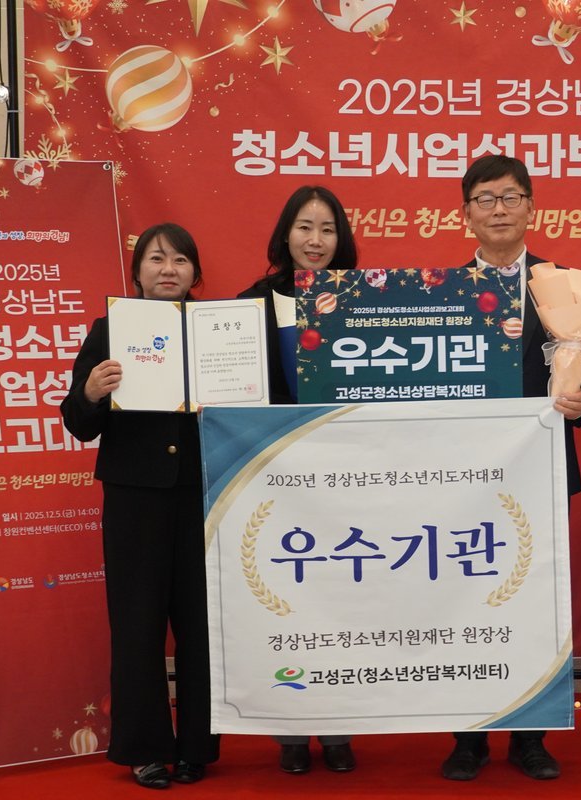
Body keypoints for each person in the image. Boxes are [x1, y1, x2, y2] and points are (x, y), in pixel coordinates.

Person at [439, 154, 581, 782]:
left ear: (532, 207)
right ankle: (469, 737)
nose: (499, 209)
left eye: (510, 197)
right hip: (462, 477)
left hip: (541, 469)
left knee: (537, 602)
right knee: (462, 598)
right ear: (466, 214)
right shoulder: (439, 292)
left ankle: (533, 736)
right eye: (485, 199)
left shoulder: (565, 287)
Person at [60, 223, 220, 789]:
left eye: (180, 260)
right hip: (134, 498)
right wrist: (91, 393)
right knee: (137, 624)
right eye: (156, 259)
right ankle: (145, 748)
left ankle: (197, 745)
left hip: (206, 495)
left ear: (195, 272)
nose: (168, 269)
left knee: (201, 626)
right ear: (137, 272)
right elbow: (78, 422)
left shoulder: (220, 329)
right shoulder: (110, 330)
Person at [238, 185, 360, 774]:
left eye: (327, 229)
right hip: (275, 480)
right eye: (305, 227)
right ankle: (289, 730)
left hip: (345, 479)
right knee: (284, 605)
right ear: (285, 234)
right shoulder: (250, 306)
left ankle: (338, 730)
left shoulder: (365, 299)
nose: (315, 240)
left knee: (341, 602)